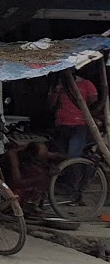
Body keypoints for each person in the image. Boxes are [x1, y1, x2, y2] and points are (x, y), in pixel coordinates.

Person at [49, 69, 101, 201]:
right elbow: (51, 104)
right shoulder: (58, 86)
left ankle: (74, 186)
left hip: (80, 126)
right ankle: (65, 185)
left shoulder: (86, 84)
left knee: (73, 155)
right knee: (60, 156)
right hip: (62, 125)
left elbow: (95, 105)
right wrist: (57, 90)